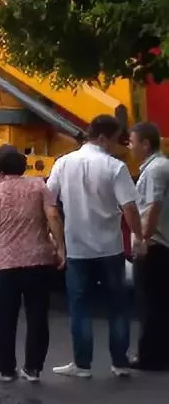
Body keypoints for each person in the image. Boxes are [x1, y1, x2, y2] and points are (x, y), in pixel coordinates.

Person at [47, 114, 143, 378]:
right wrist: (139, 237)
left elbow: (50, 203)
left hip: (77, 249)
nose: (115, 146)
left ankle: (82, 364)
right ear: (102, 137)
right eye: (113, 140)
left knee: (79, 307)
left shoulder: (63, 163)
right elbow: (129, 209)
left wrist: (59, 242)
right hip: (110, 248)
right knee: (118, 307)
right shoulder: (115, 167)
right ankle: (119, 363)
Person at [0, 145, 66, 382]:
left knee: (4, 318)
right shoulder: (38, 186)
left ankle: (6, 368)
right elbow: (53, 216)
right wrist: (60, 247)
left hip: (6, 263)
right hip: (38, 259)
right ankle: (33, 367)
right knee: (37, 315)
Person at [128, 121, 169, 371]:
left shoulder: (154, 171)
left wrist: (143, 239)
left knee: (150, 304)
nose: (130, 148)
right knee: (162, 303)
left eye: (132, 142)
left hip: (155, 245)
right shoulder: (161, 166)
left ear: (145, 144)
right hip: (163, 244)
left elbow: (152, 207)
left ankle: (150, 356)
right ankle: (161, 353)